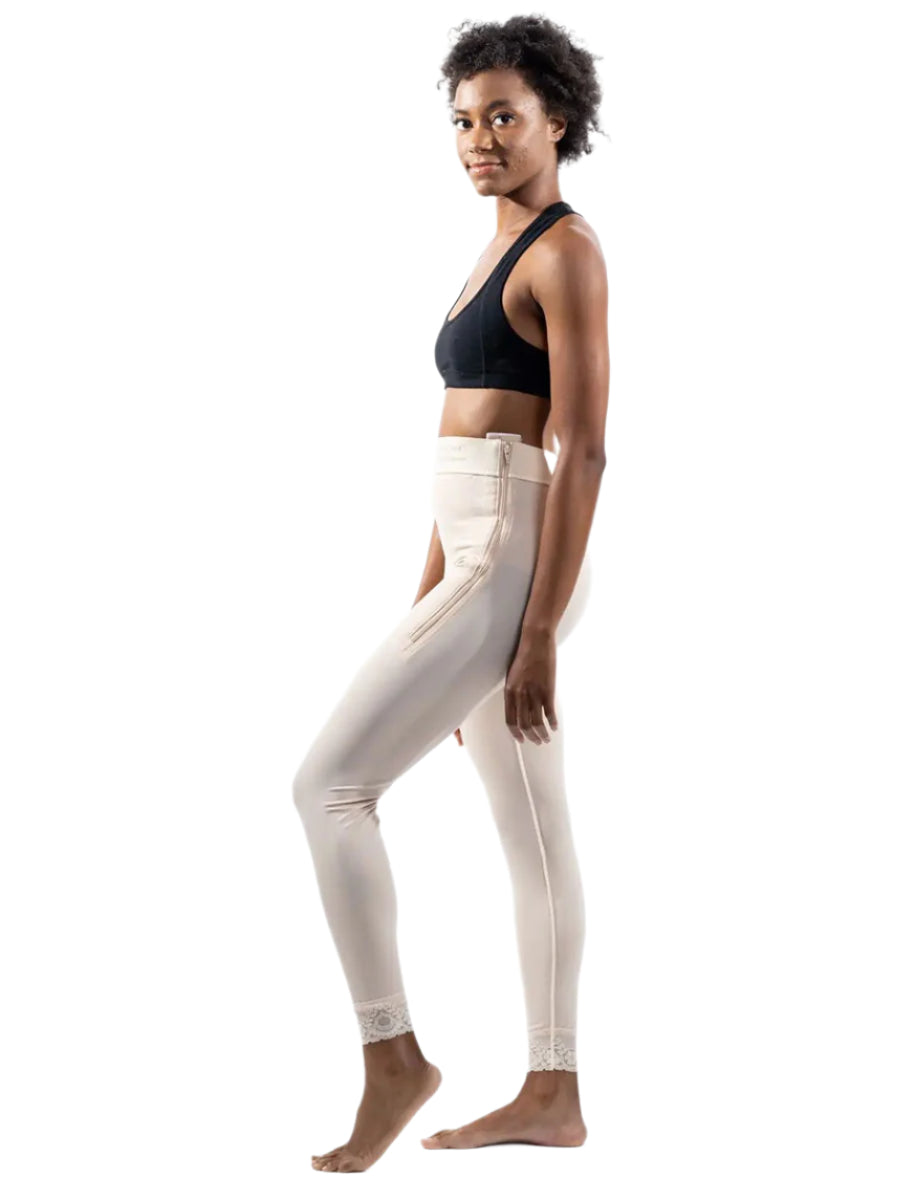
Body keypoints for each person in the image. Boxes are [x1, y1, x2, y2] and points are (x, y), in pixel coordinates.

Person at [293, 15, 609, 1172]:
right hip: (478, 556)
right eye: (464, 120)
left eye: (503, 117)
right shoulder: (492, 246)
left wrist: (533, 633)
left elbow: (580, 450)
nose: (479, 138)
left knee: (328, 787)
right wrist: (425, 598)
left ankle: (392, 1057)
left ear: (555, 123)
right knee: (533, 831)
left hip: (513, 563)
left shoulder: (565, 252)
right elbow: (461, 452)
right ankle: (551, 1093)